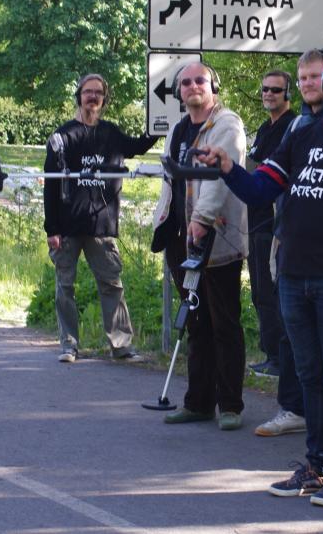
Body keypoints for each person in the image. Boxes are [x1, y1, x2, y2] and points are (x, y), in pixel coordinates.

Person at [199, 45, 323, 507]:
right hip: (292, 273)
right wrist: (229, 168)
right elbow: (261, 188)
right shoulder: (301, 133)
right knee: (308, 375)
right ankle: (316, 463)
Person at [151, 61, 248, 431]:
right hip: (180, 236)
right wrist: (165, 222)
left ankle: (231, 405)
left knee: (224, 321)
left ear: (213, 86)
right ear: (179, 91)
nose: (193, 86)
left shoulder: (226, 125)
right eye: (186, 82)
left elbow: (219, 179)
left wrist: (202, 220)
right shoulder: (177, 129)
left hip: (215, 235)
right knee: (196, 320)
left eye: (200, 80)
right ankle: (198, 401)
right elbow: (170, 180)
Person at [44, 73, 157, 363]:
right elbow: (51, 184)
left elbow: (138, 147)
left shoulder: (111, 134)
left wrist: (161, 122)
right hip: (67, 228)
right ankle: (69, 346)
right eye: (87, 92)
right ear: (79, 96)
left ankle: (121, 347)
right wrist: (51, 228)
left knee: (112, 285)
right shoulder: (63, 136)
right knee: (65, 287)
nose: (92, 97)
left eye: (98, 93)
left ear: (104, 100)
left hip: (101, 226)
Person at [254, 49, 323, 438]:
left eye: (317, 76)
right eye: (305, 78)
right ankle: (292, 408)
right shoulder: (297, 125)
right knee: (289, 326)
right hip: (287, 238)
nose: (310, 84)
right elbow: (268, 178)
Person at [246, 69, 296, 378]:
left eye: (276, 90)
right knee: (260, 293)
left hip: (275, 223)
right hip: (254, 219)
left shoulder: (293, 127)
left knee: (272, 294)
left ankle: (279, 359)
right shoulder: (265, 128)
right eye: (265, 89)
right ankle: (270, 354)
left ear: (289, 94)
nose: (269, 94)